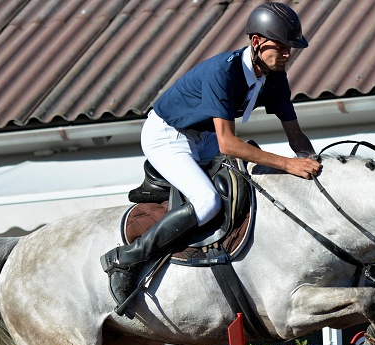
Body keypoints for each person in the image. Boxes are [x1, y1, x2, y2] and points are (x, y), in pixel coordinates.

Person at [100, 2, 323, 313]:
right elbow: (229, 143)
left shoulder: (275, 77)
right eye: (281, 47)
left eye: (291, 48)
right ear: (257, 42)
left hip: (203, 137)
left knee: (251, 177)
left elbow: (296, 137)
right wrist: (289, 163)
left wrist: (315, 167)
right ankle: (127, 258)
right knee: (207, 201)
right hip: (168, 134)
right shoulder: (224, 71)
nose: (287, 54)